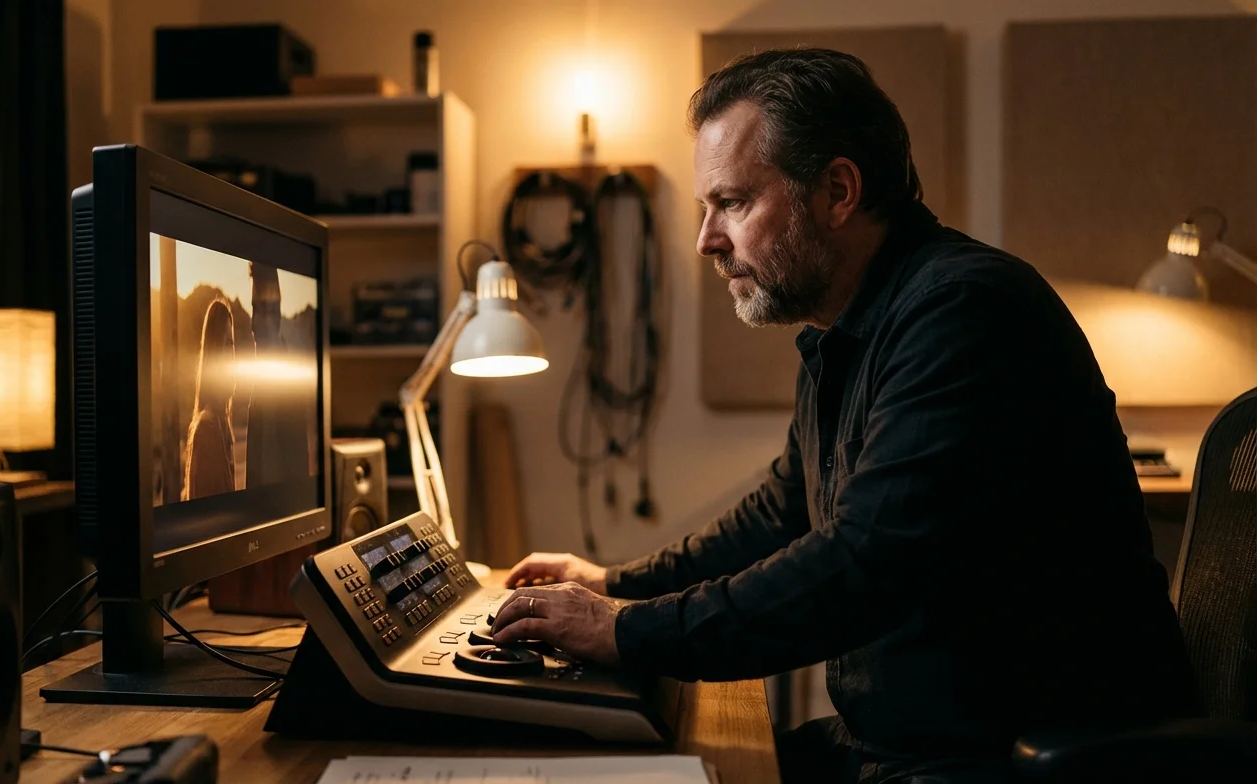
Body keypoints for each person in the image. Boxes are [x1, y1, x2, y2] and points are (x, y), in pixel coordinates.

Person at [489, 48, 1199, 783]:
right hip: (912, 743)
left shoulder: (966, 312)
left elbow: (864, 563)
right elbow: (781, 512)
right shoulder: (845, 332)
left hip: (1012, 760)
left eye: (731, 203)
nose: (706, 239)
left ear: (837, 191)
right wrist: (616, 585)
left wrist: (629, 632)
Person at [244, 261, 312, 486]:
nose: (254, 324)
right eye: (254, 309)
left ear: (277, 315)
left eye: (263, 310)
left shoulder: (287, 387)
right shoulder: (261, 377)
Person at [181, 298, 237, 500]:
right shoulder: (206, 429)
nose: (233, 354)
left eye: (233, 344)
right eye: (227, 343)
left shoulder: (223, 426)